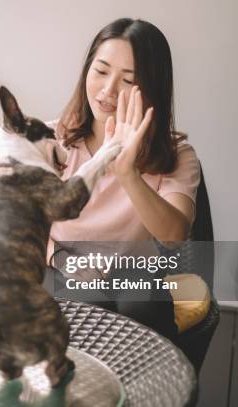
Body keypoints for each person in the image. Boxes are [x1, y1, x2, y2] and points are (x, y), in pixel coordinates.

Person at [46, 18, 201, 342]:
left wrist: (128, 173)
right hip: (59, 264)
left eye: (128, 80)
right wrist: (59, 259)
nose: (107, 91)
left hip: (133, 270)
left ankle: (157, 387)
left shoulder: (177, 155)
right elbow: (19, 220)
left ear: (152, 88)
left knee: (141, 304)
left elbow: (174, 235)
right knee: (86, 303)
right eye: (101, 71)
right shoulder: (51, 142)